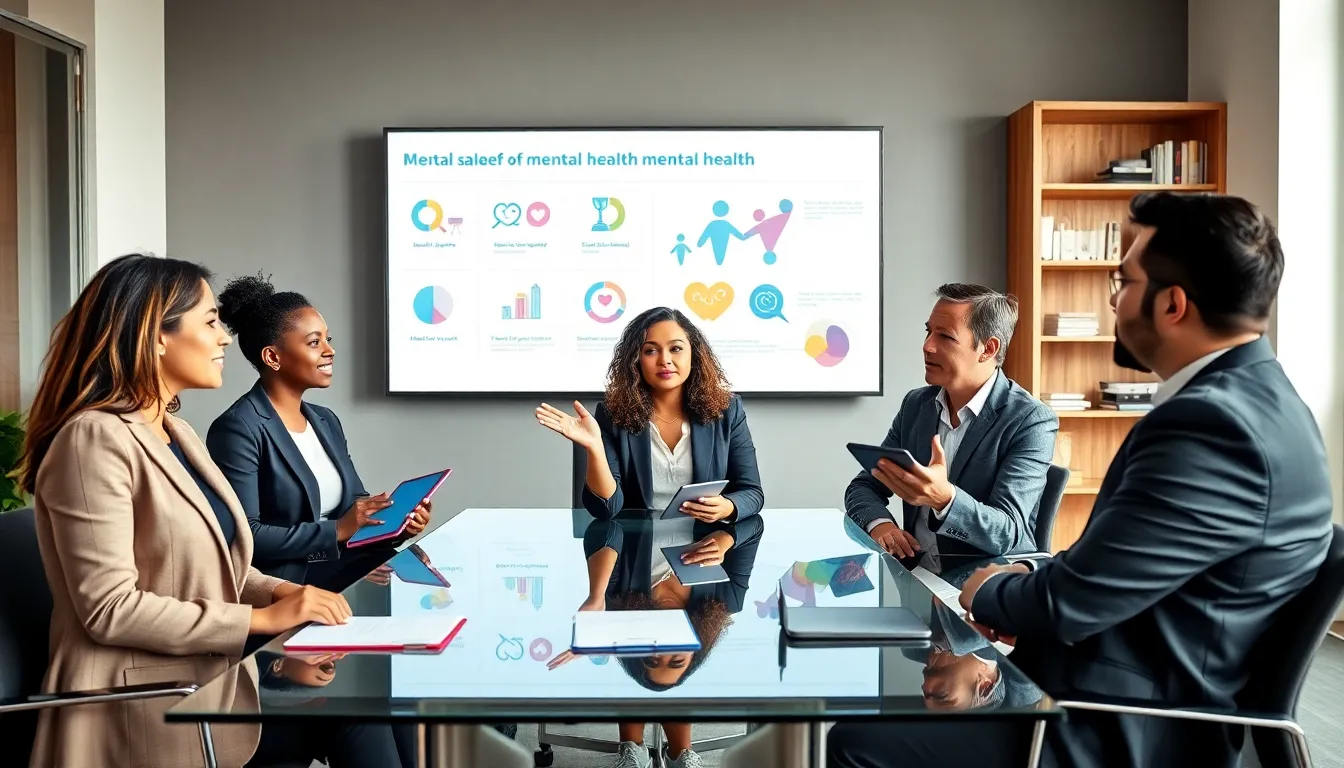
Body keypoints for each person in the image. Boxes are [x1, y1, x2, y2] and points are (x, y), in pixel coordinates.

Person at [829, 193, 1334, 768]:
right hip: (1132, 688)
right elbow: (1120, 566)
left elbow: (1073, 604)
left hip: (1123, 723)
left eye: (1124, 282)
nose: (1114, 299)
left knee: (853, 741)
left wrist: (988, 591)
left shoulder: (1208, 424)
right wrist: (1029, 572)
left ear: (1172, 304)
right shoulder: (1262, 403)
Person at [15, 254, 408, 768]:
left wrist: (283, 591)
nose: (224, 338)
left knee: (385, 705)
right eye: (209, 323)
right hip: (145, 703)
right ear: (156, 336)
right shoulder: (94, 438)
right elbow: (109, 609)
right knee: (360, 713)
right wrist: (262, 618)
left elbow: (215, 564)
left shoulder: (176, 433)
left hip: (206, 680)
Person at [207, 274, 430, 588]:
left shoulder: (326, 421)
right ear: (272, 357)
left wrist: (397, 525)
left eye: (328, 339)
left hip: (345, 567)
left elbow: (354, 506)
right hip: (287, 584)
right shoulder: (238, 428)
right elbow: (246, 535)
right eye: (315, 342)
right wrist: (337, 530)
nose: (330, 350)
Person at [844, 283, 1058, 572]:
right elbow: (864, 486)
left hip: (985, 579)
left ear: (988, 349)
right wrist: (881, 525)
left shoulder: (1031, 420)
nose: (927, 345)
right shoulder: (917, 404)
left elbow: (1006, 532)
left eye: (945, 336)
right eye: (928, 331)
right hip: (916, 573)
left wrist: (944, 498)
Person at [547, 513, 764, 768]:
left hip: (643, 509)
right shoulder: (726, 600)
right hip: (691, 510)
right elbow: (755, 525)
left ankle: (649, 750)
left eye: (652, 657)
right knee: (657, 680)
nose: (664, 649)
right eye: (676, 660)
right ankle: (669, 752)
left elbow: (605, 527)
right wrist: (727, 538)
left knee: (650, 680)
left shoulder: (621, 597)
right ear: (694, 650)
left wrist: (596, 596)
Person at [535, 305, 763, 523]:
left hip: (705, 544)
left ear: (694, 355)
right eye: (650, 350)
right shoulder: (611, 416)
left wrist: (728, 507)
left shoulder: (728, 411)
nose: (665, 360)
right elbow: (606, 509)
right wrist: (594, 447)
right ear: (636, 360)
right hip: (637, 544)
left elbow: (752, 492)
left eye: (676, 349)